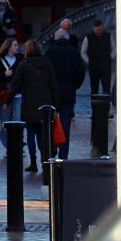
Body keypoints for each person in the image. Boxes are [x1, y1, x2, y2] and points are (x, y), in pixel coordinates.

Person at [7, 40, 58, 172]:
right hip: (45, 102)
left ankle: (33, 161)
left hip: (29, 103)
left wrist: (7, 101)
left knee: (30, 134)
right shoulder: (47, 63)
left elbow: (15, 85)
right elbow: (53, 85)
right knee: (42, 133)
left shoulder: (23, 65)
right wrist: (56, 104)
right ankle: (44, 159)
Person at [44, 29, 87, 159]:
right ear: (67, 38)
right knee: (65, 126)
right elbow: (81, 71)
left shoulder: (49, 52)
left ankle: (51, 151)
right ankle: (63, 155)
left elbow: (45, 72)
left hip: (52, 94)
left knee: (50, 124)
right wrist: (75, 86)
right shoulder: (73, 51)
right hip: (68, 93)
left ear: (55, 38)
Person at [0, 38, 22, 153]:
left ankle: (19, 147)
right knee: (5, 122)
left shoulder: (20, 59)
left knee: (18, 121)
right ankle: (8, 148)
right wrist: (4, 74)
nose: (17, 48)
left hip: (18, 95)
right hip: (5, 95)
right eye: (15, 45)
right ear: (9, 47)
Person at [81, 20, 114, 98]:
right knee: (94, 87)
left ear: (103, 28)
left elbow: (114, 49)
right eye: (96, 30)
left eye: (99, 30)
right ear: (93, 29)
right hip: (94, 67)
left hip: (106, 66)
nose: (98, 32)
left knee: (106, 88)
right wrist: (89, 61)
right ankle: (94, 106)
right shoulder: (88, 38)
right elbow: (83, 52)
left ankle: (106, 106)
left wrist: (110, 59)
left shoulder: (109, 36)